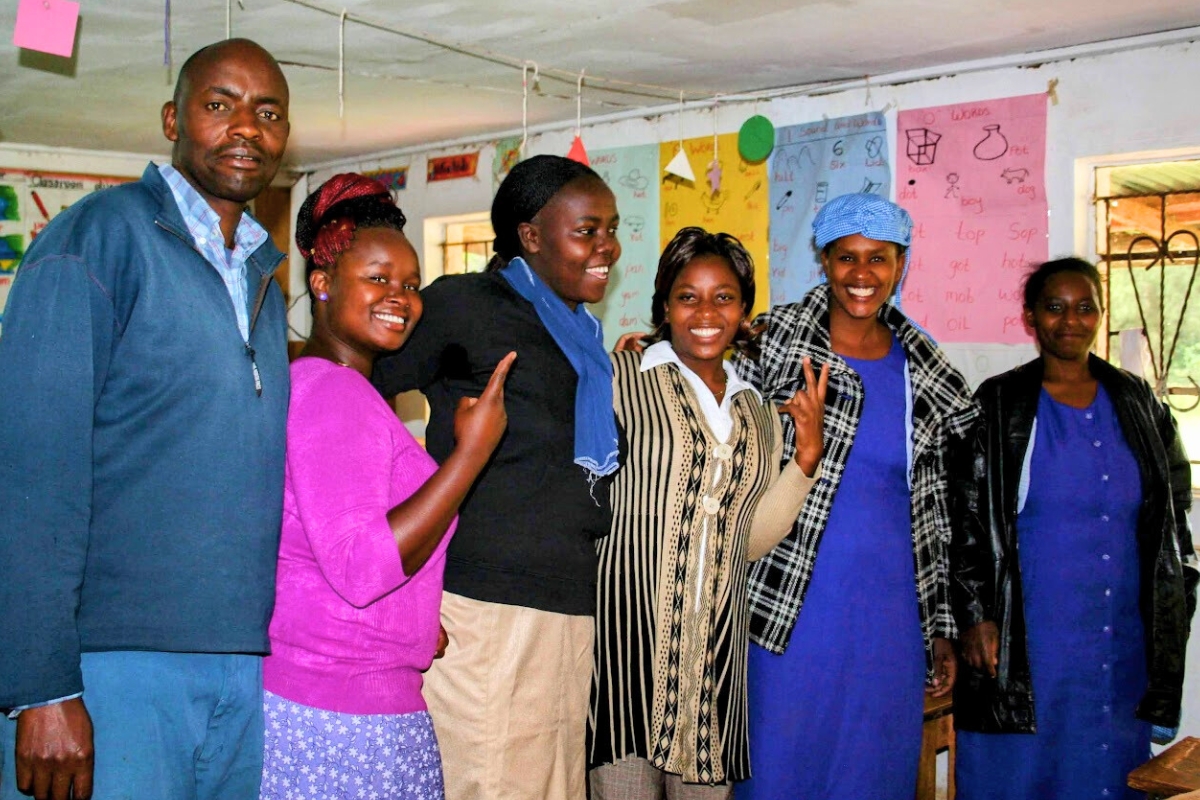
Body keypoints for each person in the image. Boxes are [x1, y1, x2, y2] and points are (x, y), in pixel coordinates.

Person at [0, 39, 291, 800]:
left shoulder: (261, 274)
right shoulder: (96, 240)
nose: (246, 127)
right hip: (108, 665)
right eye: (220, 104)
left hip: (238, 662)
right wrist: (41, 684)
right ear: (173, 119)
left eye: (268, 114)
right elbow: (29, 472)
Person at [372, 154, 621, 800]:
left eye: (611, 230)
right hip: (482, 606)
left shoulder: (581, 336)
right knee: (485, 781)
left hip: (566, 606)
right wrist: (400, 576)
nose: (607, 247)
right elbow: (357, 388)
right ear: (530, 235)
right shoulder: (468, 304)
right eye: (587, 231)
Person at [259, 173, 513, 800]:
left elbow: (326, 545)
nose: (400, 297)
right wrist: (470, 455)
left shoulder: (330, 387)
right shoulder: (334, 393)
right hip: (339, 713)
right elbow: (363, 566)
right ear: (322, 284)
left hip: (338, 697)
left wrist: (413, 617)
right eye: (378, 278)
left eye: (410, 284)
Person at [734, 193, 977, 799]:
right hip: (787, 606)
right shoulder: (773, 343)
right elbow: (704, 384)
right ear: (824, 261)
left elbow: (937, 513)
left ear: (901, 265)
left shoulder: (925, 368)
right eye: (846, 257)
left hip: (890, 617)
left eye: (878, 258)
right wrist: (653, 349)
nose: (861, 274)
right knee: (777, 771)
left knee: (872, 774)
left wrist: (940, 626)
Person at [589, 227, 827, 799]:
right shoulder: (617, 379)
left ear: (743, 310)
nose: (705, 313)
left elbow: (747, 541)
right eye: (687, 296)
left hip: (712, 675)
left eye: (723, 297)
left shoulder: (760, 413)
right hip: (624, 662)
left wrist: (805, 461)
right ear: (664, 307)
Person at [949, 257, 1197, 800]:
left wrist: (1174, 609)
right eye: (1054, 307)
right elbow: (963, 517)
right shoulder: (999, 403)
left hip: (1118, 632)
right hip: (1028, 629)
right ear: (1030, 316)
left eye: (1084, 307)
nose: (1070, 321)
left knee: (1104, 766)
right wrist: (975, 616)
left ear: (1100, 314)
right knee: (1018, 770)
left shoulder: (1139, 402)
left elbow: (1172, 515)